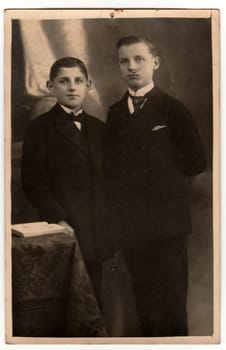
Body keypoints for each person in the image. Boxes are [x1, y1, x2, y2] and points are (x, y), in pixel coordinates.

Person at [102, 36, 207, 336]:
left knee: (171, 305)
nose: (132, 67)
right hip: (133, 228)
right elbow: (110, 171)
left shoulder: (173, 109)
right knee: (144, 302)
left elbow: (196, 162)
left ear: (155, 63)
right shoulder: (115, 113)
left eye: (139, 59)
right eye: (125, 61)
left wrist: (155, 179)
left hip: (167, 226)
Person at [21, 57, 104, 302]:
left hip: (97, 230)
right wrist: (57, 219)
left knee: (95, 298)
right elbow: (33, 182)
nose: (72, 87)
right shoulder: (40, 129)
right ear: (50, 86)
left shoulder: (99, 128)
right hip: (62, 228)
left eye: (78, 81)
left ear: (88, 85)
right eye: (64, 81)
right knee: (64, 300)